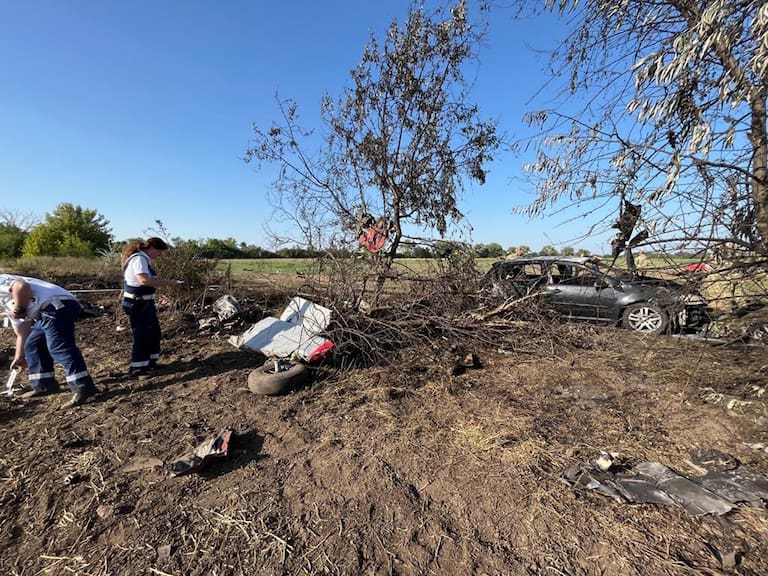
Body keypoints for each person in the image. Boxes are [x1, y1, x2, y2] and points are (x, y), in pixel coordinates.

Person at [0, 273, 98, 408]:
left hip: (55, 304)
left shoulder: (1, 282)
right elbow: (23, 332)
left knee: (58, 347)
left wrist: (19, 310)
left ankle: (83, 386)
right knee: (33, 344)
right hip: (47, 310)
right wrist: (19, 356)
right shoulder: (6, 303)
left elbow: (21, 286)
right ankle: (44, 384)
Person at [120, 237, 180, 377]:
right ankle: (138, 368)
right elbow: (144, 280)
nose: (160, 256)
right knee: (143, 335)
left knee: (154, 333)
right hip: (137, 304)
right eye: (159, 252)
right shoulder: (139, 259)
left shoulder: (143, 259)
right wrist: (168, 282)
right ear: (152, 248)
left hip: (145, 303)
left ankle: (150, 362)